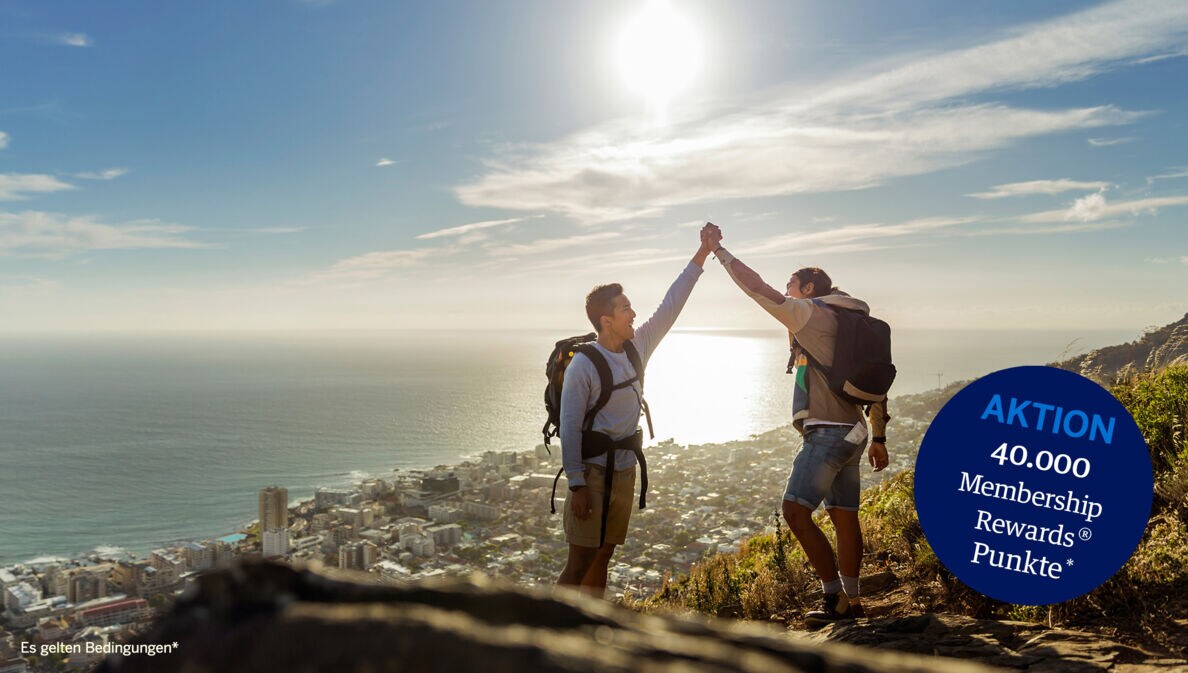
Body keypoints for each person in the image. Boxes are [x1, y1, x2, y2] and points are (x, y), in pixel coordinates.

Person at [701, 222, 890, 623]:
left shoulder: (810, 313)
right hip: (854, 433)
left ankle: (833, 598)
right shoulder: (850, 320)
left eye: (792, 284)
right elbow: (875, 378)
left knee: (795, 512)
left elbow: (758, 289)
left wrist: (719, 252)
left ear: (807, 290)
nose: (786, 290)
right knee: (844, 517)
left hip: (827, 434)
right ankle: (855, 601)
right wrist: (879, 436)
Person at [556, 235, 713, 597]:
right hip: (592, 475)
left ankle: (590, 623)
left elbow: (671, 304)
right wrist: (576, 484)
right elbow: (569, 426)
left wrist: (702, 253)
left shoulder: (636, 347)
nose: (634, 313)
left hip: (624, 470)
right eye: (625, 308)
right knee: (580, 559)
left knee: (604, 554)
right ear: (606, 319)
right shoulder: (584, 364)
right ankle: (548, 631)